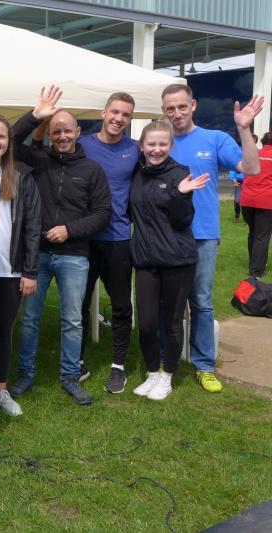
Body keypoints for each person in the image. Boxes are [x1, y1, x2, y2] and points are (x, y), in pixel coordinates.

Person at [9, 86, 112, 406]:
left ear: (78, 132)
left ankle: (70, 377)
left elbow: (102, 214)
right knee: (30, 318)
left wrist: (70, 230)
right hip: (36, 254)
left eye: (68, 130)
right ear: (50, 134)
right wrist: (35, 116)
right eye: (56, 131)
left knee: (72, 320)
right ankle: (26, 373)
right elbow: (10, 142)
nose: (63, 136)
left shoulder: (92, 170)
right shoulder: (38, 161)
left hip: (74, 255)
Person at [161, 83, 264, 393]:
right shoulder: (160, 142)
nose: (177, 113)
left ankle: (204, 365)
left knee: (201, 303)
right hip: (167, 237)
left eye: (182, 106)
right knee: (169, 303)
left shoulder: (214, 139)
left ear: (193, 105)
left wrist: (244, 129)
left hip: (203, 235)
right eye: (170, 108)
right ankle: (165, 364)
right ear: (164, 111)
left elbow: (252, 168)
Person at [130, 120, 209, 400]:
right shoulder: (136, 172)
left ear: (170, 146)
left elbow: (182, 220)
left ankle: (167, 376)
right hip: (146, 260)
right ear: (142, 146)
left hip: (177, 260)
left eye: (163, 144)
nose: (157, 149)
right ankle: (152, 373)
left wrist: (180, 195)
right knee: (147, 323)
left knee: (172, 322)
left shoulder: (180, 174)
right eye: (151, 144)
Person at [0, 115, 41, 417]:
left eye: (1, 136)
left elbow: (32, 227)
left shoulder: (23, 177)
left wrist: (29, 271)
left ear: (9, 141)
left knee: (3, 331)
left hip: (10, 270)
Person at [77, 92, 139, 394]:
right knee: (78, 304)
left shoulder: (136, 149)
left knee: (121, 306)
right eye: (114, 112)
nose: (118, 118)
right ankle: (76, 361)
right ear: (103, 113)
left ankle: (118, 367)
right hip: (85, 239)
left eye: (125, 114)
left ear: (130, 119)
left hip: (118, 239)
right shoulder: (82, 145)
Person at [240, 132, 272, 278]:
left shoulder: (253, 155)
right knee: (262, 236)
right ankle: (256, 271)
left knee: (253, 232)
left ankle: (253, 264)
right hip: (266, 201)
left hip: (247, 200)